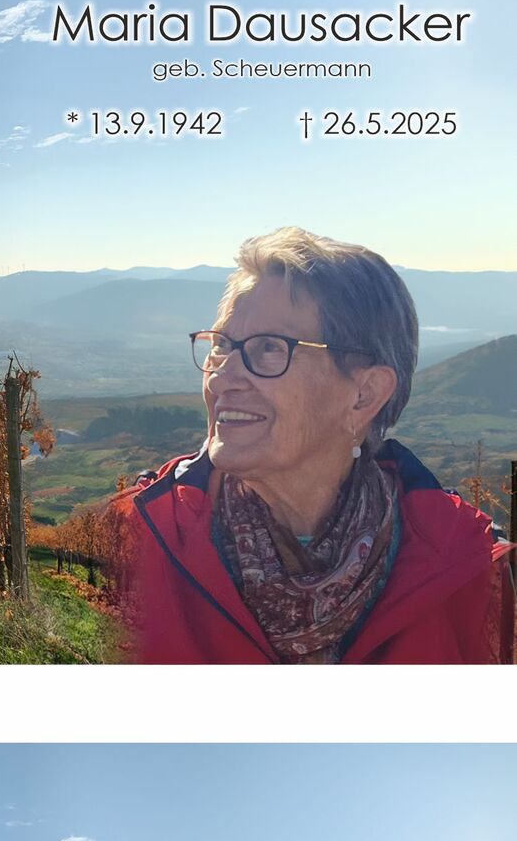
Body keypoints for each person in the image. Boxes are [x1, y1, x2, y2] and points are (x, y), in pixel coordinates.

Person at [113, 227, 514, 663]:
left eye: (269, 348)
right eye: (223, 345)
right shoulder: (135, 539)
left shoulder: (470, 569)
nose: (222, 378)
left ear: (364, 395)